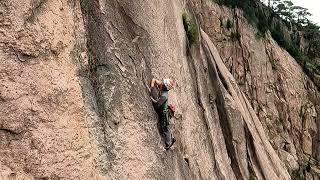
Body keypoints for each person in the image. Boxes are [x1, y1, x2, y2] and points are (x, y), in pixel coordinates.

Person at [149, 78, 176, 150]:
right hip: (164, 110)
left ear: (164, 87)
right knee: (167, 127)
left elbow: (157, 104)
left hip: (164, 112)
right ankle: (171, 138)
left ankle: (168, 144)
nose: (161, 84)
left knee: (165, 128)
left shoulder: (164, 96)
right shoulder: (163, 87)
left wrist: (151, 97)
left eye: (162, 84)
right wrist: (152, 86)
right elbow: (154, 80)